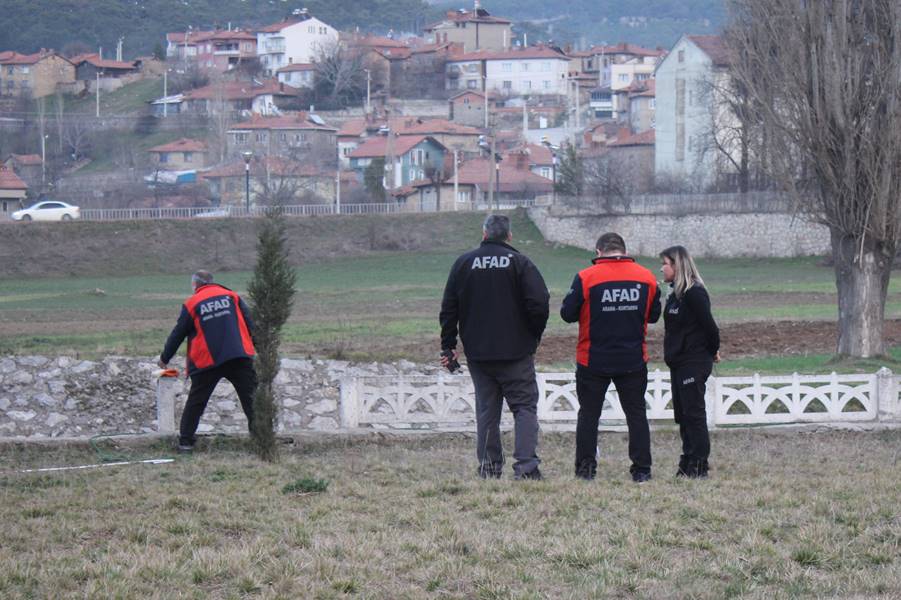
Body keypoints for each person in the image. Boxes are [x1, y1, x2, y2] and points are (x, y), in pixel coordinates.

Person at [439, 214, 550, 480]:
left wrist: (449, 345)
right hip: (516, 351)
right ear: (509, 236)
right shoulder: (520, 263)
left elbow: (449, 308)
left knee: (487, 411)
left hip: (479, 353)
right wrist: (532, 336)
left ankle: (489, 468)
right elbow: (540, 303)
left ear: (484, 233)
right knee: (524, 408)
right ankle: (526, 468)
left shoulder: (463, 263)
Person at [561, 233, 661, 483]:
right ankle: (642, 470)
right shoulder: (647, 277)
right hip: (633, 359)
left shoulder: (586, 277)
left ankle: (585, 470)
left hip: (593, 358)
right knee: (636, 415)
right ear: (624, 251)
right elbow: (654, 316)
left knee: (589, 415)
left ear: (598, 251)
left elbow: (567, 314)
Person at [158, 270, 257, 452]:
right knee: (252, 401)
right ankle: (260, 440)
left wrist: (165, 358)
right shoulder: (231, 296)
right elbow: (251, 325)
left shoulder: (192, 303)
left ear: (195, 285)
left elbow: (178, 334)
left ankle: (186, 443)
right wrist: (262, 350)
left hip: (207, 362)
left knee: (196, 403)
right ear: (212, 282)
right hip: (239, 356)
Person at [659, 245, 720, 478]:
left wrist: (713, 351)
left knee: (694, 415)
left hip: (694, 361)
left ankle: (699, 464)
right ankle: (687, 459)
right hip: (678, 362)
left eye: (665, 263)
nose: (662, 269)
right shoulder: (675, 295)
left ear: (677, 265)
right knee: (683, 415)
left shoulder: (695, 293)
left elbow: (710, 328)